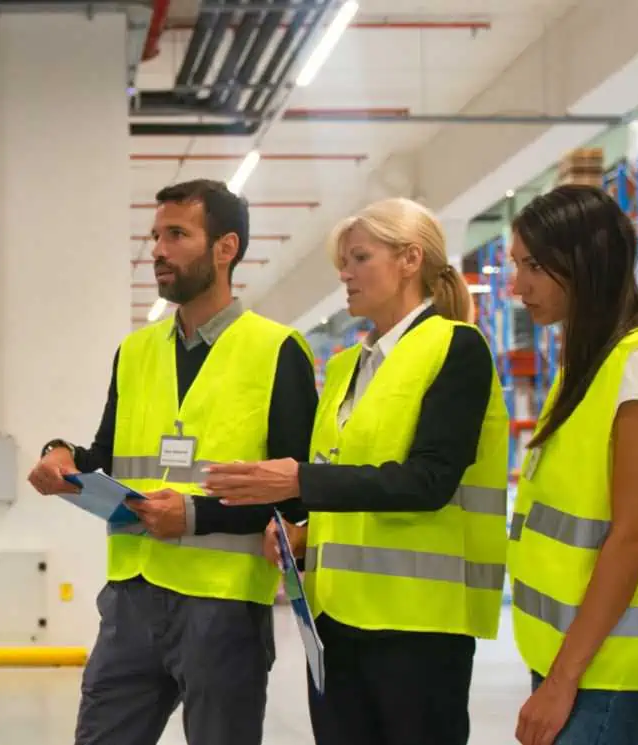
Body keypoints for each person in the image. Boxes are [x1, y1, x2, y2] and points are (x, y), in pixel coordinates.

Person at [204, 197, 508, 745]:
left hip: (418, 627)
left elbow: (428, 481)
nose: (344, 273)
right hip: (334, 621)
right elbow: (342, 477)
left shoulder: (457, 348)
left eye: (359, 258)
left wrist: (297, 481)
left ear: (410, 259)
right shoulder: (346, 367)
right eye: (342, 261)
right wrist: (303, 532)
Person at [26, 178, 318, 745]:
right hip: (131, 601)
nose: (157, 249)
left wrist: (195, 516)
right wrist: (60, 457)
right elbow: (106, 456)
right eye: (156, 235)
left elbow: (296, 493)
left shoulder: (277, 351)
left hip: (224, 606)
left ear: (226, 248)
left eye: (177, 234)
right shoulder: (135, 352)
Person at [501, 185, 638, 745]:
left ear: (585, 263)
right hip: (579, 652)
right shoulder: (586, 369)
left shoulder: (636, 367)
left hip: (611, 664)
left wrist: (563, 680)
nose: (518, 286)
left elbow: (633, 536)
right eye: (518, 265)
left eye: (535, 266)